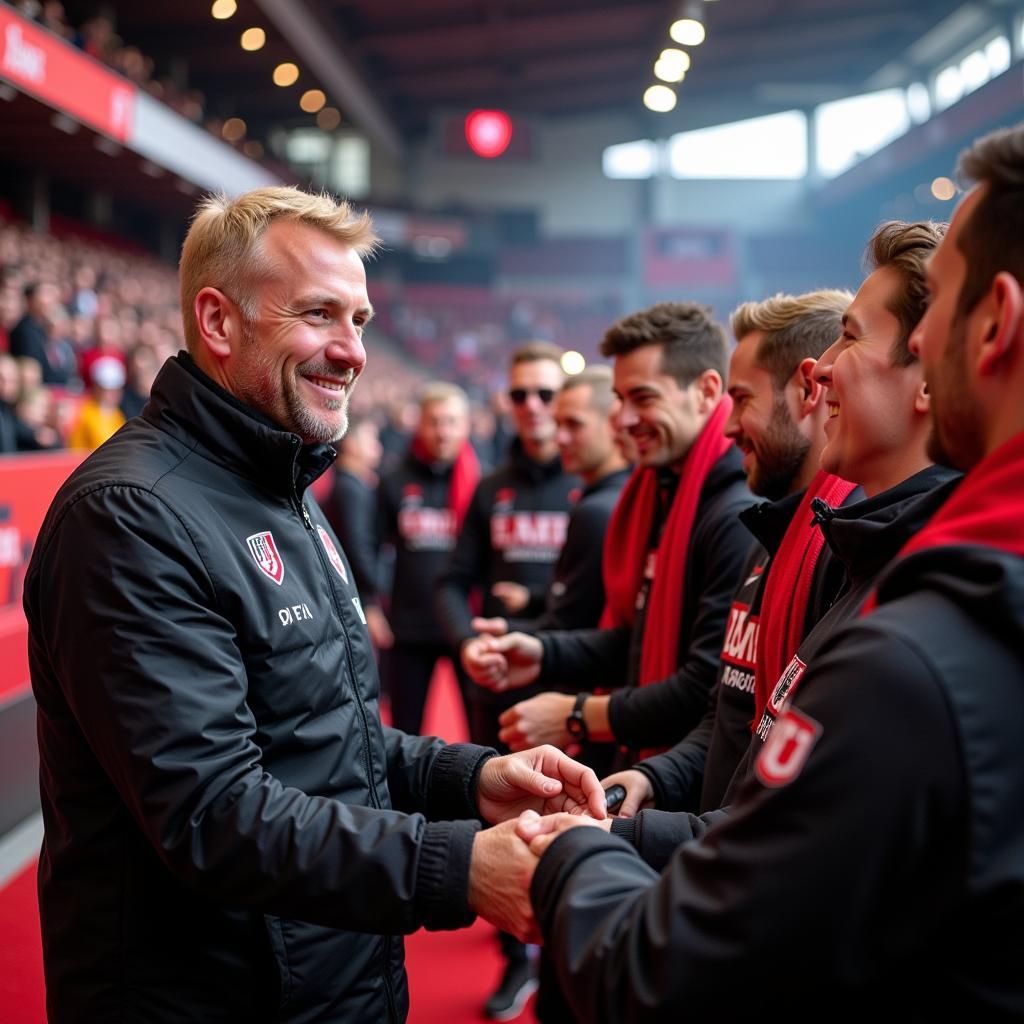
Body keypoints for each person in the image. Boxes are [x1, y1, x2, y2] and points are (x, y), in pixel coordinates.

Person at [23, 186, 605, 1024]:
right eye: (320, 314)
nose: (353, 350)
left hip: (327, 978)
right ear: (219, 323)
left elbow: (326, 737)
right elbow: (213, 812)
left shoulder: (285, 487)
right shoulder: (128, 516)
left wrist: (470, 778)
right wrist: (458, 866)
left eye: (361, 320)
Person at [502, 124, 1024, 1018]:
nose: (824, 370)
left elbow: (667, 974)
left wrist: (568, 854)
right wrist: (643, 802)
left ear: (995, 322)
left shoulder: (918, 646)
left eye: (935, 307)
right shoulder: (882, 571)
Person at [600, 288, 855, 819]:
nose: (730, 422)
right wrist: (654, 777)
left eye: (742, 400)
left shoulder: (846, 558)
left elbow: (796, 796)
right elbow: (726, 717)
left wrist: (584, 716)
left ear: (809, 389)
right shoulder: (769, 534)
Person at [469, 303, 754, 767]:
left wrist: (577, 714)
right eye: (620, 399)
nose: (621, 419)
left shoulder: (734, 510)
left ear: (705, 392)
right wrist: (543, 652)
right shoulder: (664, 490)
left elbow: (705, 688)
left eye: (642, 398)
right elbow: (635, 640)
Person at [375, 382, 480, 734]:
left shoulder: (484, 483)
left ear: (466, 426)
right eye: (434, 422)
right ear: (419, 424)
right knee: (405, 730)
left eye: (451, 422)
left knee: (480, 732)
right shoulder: (394, 479)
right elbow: (370, 545)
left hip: (467, 625)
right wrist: (372, 604)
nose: (443, 431)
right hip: (408, 627)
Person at [321, 413, 392, 650]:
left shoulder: (353, 483)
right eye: (372, 440)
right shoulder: (350, 488)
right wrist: (376, 590)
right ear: (351, 444)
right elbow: (357, 546)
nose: (378, 447)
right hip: (355, 594)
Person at [8, 281, 69, 385]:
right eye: (45, 295)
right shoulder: (25, 331)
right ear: (31, 300)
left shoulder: (41, 329)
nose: (50, 301)